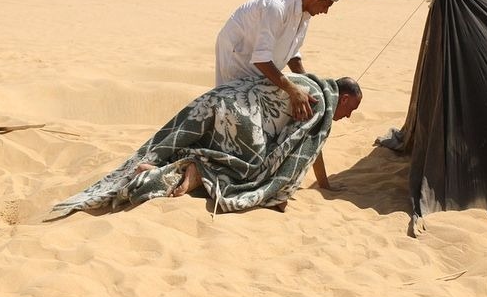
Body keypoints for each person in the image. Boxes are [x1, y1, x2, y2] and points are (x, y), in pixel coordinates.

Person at [51, 74, 361, 218]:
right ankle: (179, 174)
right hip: (240, 119)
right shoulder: (321, 104)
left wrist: (324, 183)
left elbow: (311, 146)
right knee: (247, 173)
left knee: (170, 144)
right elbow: (294, 148)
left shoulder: (307, 81)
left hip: (218, 98)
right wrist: (275, 189)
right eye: (351, 110)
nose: (347, 117)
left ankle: (160, 167)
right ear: (343, 98)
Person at [215, 0, 342, 122]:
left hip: (261, 64)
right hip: (237, 56)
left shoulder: (305, 14)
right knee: (233, 110)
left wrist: (306, 82)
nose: (326, 11)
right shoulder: (276, 7)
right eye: (326, 5)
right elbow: (261, 59)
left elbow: (292, 53)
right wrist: (292, 90)